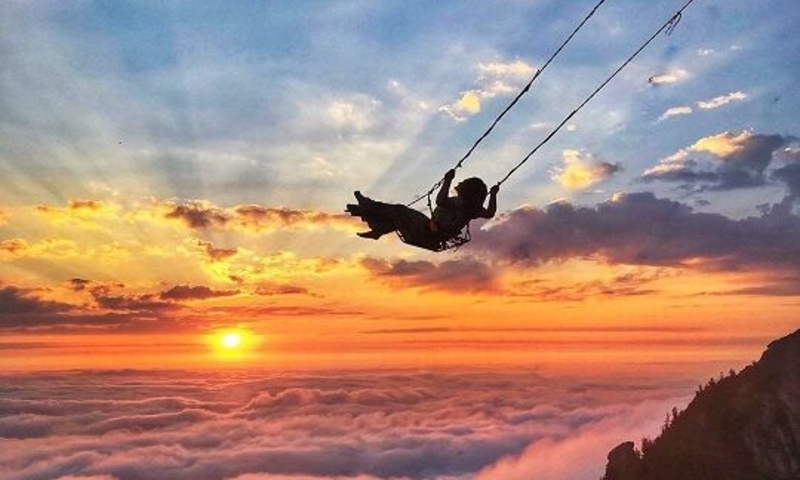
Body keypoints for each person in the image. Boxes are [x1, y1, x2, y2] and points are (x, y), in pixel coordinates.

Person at [345, 169, 499, 251]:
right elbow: (490, 213)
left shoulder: (461, 204)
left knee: (400, 211)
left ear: (466, 190)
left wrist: (447, 181)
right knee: (399, 216)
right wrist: (493, 195)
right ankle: (377, 229)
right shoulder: (474, 209)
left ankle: (368, 206)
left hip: (426, 231)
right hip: (432, 232)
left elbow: (441, 201)